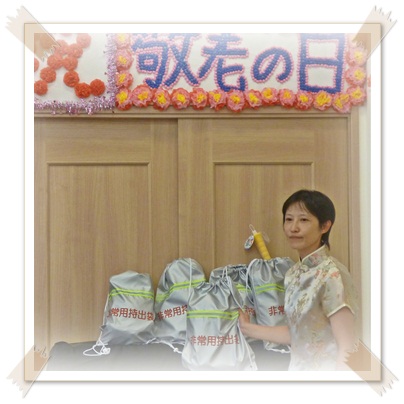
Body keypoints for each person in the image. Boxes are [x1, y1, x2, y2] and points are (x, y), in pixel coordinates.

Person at [239, 189, 358, 370]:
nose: (293, 228)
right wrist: (248, 329)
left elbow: (348, 347)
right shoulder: (293, 273)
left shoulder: (333, 274)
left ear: (325, 226)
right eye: (288, 219)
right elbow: (298, 334)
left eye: (303, 220)